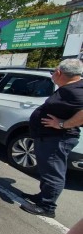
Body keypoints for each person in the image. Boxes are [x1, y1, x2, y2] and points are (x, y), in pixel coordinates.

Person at [20, 59, 83, 218]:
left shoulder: (75, 90)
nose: (52, 74)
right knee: (47, 170)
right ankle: (43, 197)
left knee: (54, 173)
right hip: (49, 137)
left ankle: (47, 206)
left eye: (53, 71)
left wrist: (62, 124)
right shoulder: (69, 87)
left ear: (59, 72)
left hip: (57, 138)